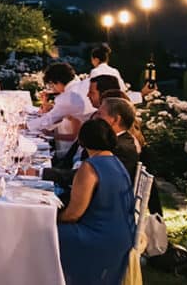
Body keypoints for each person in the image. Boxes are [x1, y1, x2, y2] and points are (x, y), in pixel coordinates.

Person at [58, 118, 136, 285]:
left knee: (43, 233)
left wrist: (50, 217)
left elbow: (73, 215)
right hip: (122, 236)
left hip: (98, 237)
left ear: (82, 140)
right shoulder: (117, 162)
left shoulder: (90, 167)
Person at [27, 63, 95, 154]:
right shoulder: (85, 83)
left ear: (57, 82)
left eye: (52, 85)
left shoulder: (66, 97)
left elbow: (48, 120)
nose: (52, 88)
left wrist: (25, 125)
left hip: (85, 144)